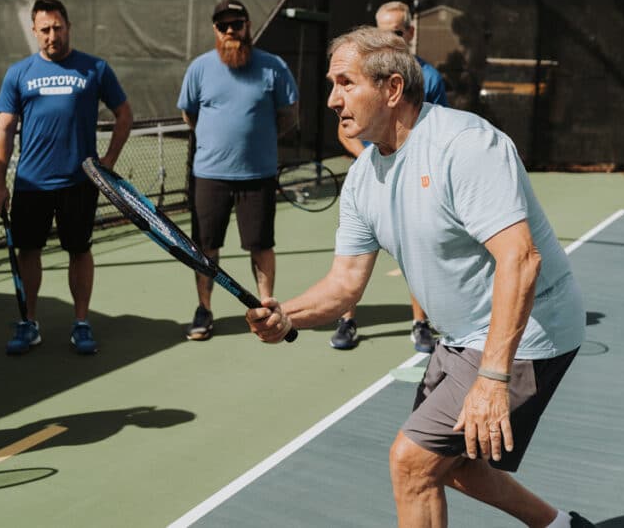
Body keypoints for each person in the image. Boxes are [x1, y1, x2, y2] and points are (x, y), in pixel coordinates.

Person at [246, 27, 593, 528]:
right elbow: (344, 285)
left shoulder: (464, 145)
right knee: (454, 469)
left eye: (345, 83)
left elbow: (521, 259)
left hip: (531, 330)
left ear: (391, 90)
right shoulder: (364, 179)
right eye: (331, 84)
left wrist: (493, 379)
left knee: (412, 464)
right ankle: (562, 526)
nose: (331, 100)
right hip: (461, 337)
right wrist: (287, 314)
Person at [0, 0, 132, 356]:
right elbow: (4, 130)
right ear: (34, 32)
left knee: (79, 250)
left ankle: (81, 323)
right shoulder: (19, 73)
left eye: (58, 28)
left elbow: (124, 114)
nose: (52, 35)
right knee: (29, 251)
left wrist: (109, 161)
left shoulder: (95, 69)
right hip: (31, 183)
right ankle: (29, 323)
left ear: (68, 27)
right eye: (45, 30)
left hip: (79, 183)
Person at [177, 0, 299, 340]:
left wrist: (258, 140)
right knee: (205, 248)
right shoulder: (200, 68)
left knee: (261, 245)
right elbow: (190, 114)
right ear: (215, 30)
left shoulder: (273, 66)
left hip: (258, 176)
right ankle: (204, 309)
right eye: (223, 25)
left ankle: (265, 308)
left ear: (248, 26)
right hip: (210, 175)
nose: (231, 30)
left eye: (237, 23)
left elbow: (289, 115)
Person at [332, 0, 449, 353]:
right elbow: (345, 131)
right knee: (352, 254)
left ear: (409, 33)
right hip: (372, 181)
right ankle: (346, 320)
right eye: (382, 32)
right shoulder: (360, 74)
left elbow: (433, 128)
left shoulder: (430, 78)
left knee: (420, 251)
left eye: (396, 32)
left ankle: (420, 323)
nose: (389, 38)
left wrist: (407, 163)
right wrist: (374, 159)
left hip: (416, 183)